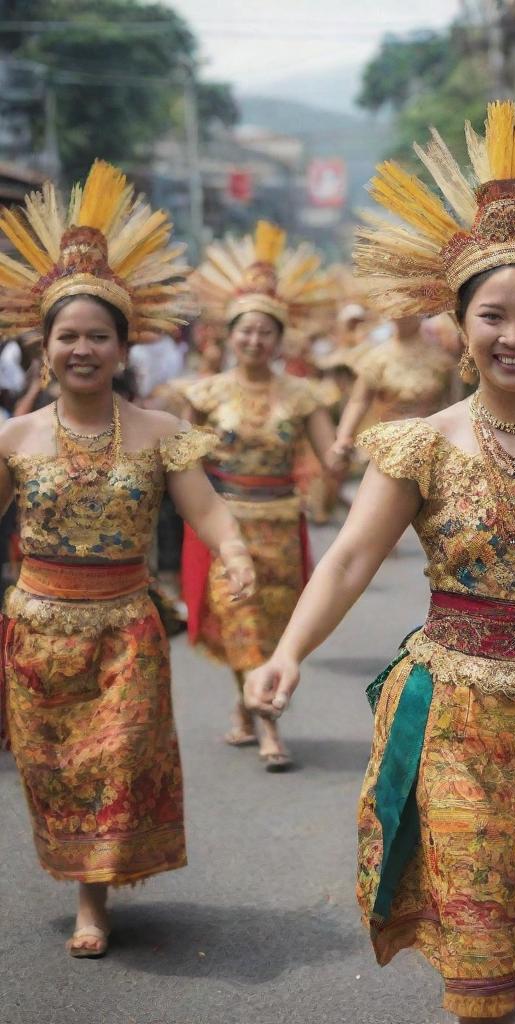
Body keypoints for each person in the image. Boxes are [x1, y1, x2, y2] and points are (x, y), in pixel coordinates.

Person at [245, 100, 515, 1023]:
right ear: (459, 325)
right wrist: (289, 652)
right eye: (492, 316)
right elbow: (352, 559)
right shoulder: (421, 446)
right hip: (456, 715)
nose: (511, 335)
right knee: (481, 917)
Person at [0, 161, 255, 957]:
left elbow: (205, 507)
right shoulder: (15, 438)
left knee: (116, 757)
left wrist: (237, 551)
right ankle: (84, 880)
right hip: (37, 631)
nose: (82, 348)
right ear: (45, 348)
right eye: (67, 336)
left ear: (122, 347)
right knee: (58, 772)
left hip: (126, 629)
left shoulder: (157, 431)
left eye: (97, 336)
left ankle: (94, 901)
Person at [182, 221, 338, 771]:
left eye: (265, 332)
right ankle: (270, 726)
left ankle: (245, 705)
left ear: (279, 338)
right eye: (245, 331)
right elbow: (185, 467)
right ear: (229, 334)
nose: (254, 341)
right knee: (239, 619)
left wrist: (351, 456)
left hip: (281, 526)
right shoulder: (203, 395)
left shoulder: (303, 396)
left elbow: (330, 456)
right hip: (226, 525)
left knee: (270, 628)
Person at [330, 312, 458, 468]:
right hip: (390, 447)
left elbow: (454, 404)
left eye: (407, 310)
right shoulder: (376, 358)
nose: (402, 316)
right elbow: (358, 401)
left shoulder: (440, 357)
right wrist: (343, 437)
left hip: (433, 447)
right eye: (396, 311)